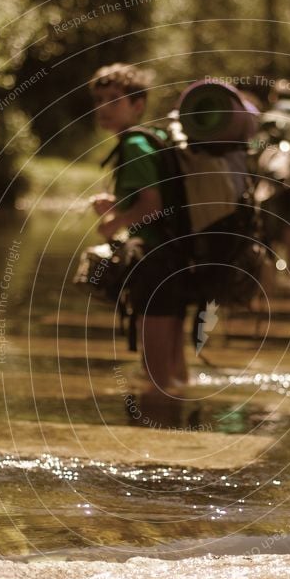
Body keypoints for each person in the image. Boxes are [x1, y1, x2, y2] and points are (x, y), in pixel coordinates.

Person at [89, 63, 188, 393]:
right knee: (174, 370)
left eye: (114, 100)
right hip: (177, 257)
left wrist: (113, 223)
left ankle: (159, 434)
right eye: (99, 99)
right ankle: (182, 426)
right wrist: (117, 206)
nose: (103, 108)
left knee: (155, 375)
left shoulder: (134, 145)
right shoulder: (153, 138)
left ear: (137, 105)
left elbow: (152, 206)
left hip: (155, 261)